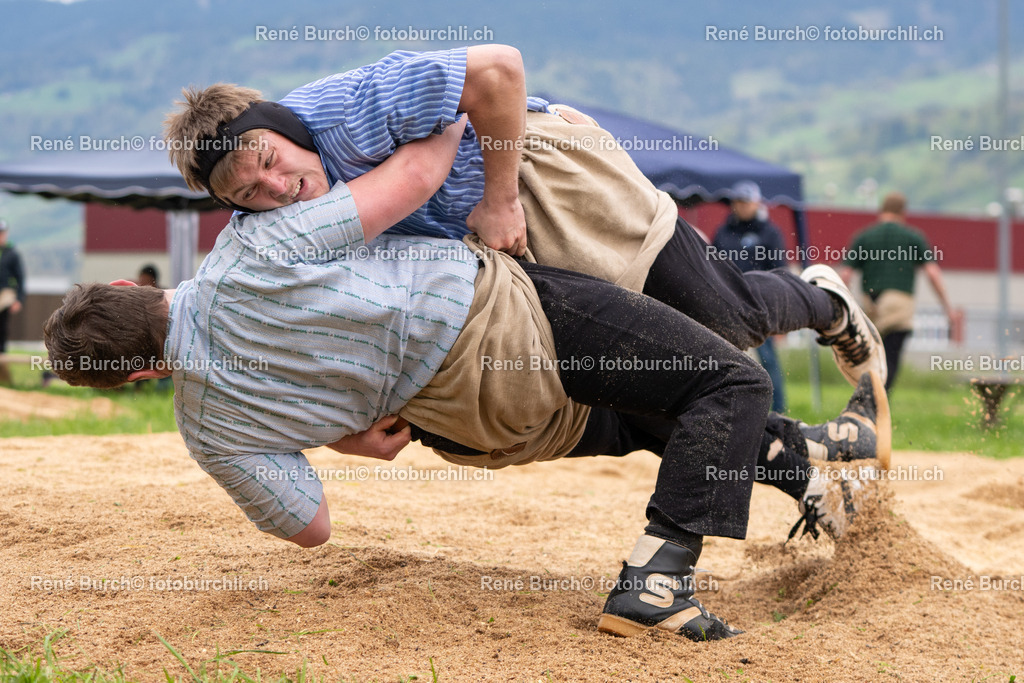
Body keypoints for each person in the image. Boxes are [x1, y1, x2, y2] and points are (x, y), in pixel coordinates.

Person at [44, 124, 890, 643]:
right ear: (129, 290)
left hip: (468, 427)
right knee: (728, 383)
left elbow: (311, 525)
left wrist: (339, 429)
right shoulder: (246, 252)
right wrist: (452, 123)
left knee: (652, 414)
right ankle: (655, 580)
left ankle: (811, 455)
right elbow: (408, 182)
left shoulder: (210, 432)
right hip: (502, 321)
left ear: (139, 376)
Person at [161, 46, 888, 434]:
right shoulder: (263, 226)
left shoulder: (353, 105)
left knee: (725, 321)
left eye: (268, 162)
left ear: (278, 127)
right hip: (491, 265)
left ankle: (823, 301)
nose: (277, 189)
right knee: (656, 371)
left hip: (540, 174)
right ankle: (799, 454)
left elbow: (499, 69)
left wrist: (499, 196)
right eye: (247, 194)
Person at [839, 192, 955, 391]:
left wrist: (840, 306)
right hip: (898, 304)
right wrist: (947, 308)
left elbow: (846, 275)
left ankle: (867, 399)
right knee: (890, 358)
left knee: (870, 359)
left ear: (882, 210)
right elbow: (933, 273)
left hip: (870, 304)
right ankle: (879, 404)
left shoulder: (865, 236)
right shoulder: (912, 237)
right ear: (903, 212)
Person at [713, 180, 789, 413]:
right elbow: (713, 267)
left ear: (757, 203)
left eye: (747, 202)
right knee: (722, 360)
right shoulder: (723, 233)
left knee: (768, 361)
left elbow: (779, 273)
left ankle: (777, 412)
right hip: (727, 306)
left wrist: (779, 313)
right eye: (738, 201)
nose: (742, 206)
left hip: (760, 308)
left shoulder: (770, 233)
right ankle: (726, 409)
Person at [0, 220, 26, 384]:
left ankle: (2, 368)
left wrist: (19, 299)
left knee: (2, 330)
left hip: (5, 295)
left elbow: (21, 278)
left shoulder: (12, 253)